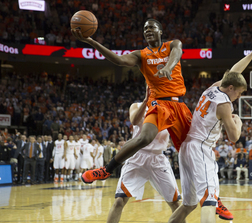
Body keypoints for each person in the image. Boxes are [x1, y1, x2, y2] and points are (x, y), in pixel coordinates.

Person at [72, 18, 192, 182]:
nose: (147, 30)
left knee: (193, 150)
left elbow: (177, 53)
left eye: (151, 27)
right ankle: (106, 170)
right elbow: (119, 60)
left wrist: (168, 68)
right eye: (145, 28)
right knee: (144, 138)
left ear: (161, 31)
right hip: (159, 103)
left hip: (179, 105)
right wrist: (91, 41)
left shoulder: (173, 44)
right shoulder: (141, 55)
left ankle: (213, 198)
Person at [168, 31, 252, 223]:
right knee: (210, 201)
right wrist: (239, 121)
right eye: (239, 93)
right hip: (200, 149)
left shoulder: (214, 87)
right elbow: (234, 137)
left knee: (189, 204)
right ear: (231, 89)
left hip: (186, 148)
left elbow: (234, 72)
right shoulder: (225, 104)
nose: (239, 97)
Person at [106, 88, 184, 223]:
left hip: (158, 159)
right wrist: (145, 102)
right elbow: (135, 121)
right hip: (137, 156)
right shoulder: (136, 105)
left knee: (175, 204)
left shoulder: (170, 108)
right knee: (119, 201)